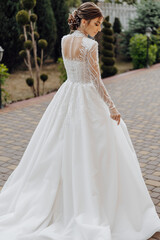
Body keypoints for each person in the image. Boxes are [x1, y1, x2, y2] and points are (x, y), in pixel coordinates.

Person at [0, 2, 160, 240]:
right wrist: (112, 106)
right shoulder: (89, 45)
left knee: (60, 144)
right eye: (96, 24)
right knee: (95, 148)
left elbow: (72, 71)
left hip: (68, 94)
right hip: (86, 96)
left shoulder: (65, 40)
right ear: (84, 21)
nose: (99, 29)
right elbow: (97, 81)